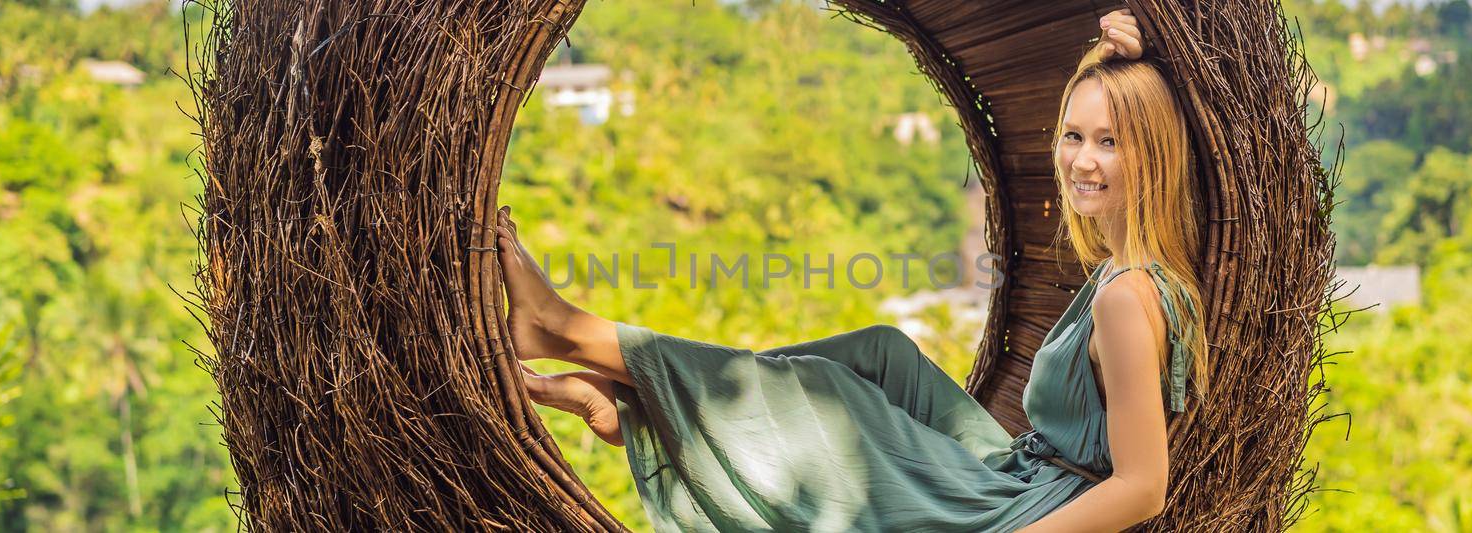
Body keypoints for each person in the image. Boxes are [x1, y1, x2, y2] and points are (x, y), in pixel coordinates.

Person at [500, 8, 1208, 532]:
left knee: (835, 393)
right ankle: (645, 398)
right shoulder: (1134, 265)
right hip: (1019, 465)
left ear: (1152, 152)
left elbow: (1144, 487)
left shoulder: (1126, 298)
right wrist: (1123, 53)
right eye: (1075, 135)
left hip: (1022, 507)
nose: (1082, 159)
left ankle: (570, 333)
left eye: (1110, 142)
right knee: (882, 351)